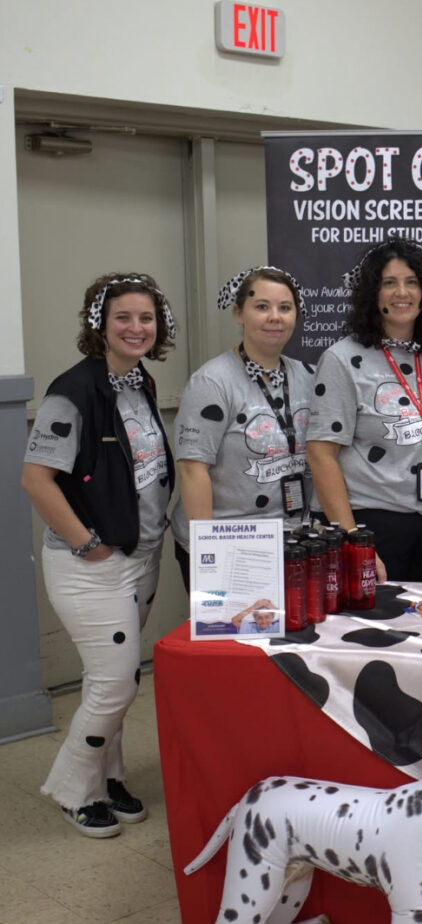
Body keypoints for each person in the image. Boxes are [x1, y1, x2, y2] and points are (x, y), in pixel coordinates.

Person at [21, 272, 176, 837]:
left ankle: (107, 778)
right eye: (123, 318)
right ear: (100, 324)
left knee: (111, 677)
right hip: (93, 565)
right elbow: (37, 480)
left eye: (146, 318)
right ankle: (72, 787)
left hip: (141, 557)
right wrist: (87, 543)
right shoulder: (74, 390)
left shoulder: (139, 382)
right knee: (116, 683)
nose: (136, 328)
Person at [306, 238, 422, 582]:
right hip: (372, 529)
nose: (401, 293)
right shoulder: (341, 359)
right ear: (371, 293)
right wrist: (354, 542)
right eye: (389, 283)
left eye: (411, 282)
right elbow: (321, 455)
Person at [171, 266, 316, 588]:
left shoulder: (308, 376)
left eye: (284, 307)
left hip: (293, 542)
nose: (274, 317)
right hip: (229, 543)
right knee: (236, 637)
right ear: (239, 313)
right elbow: (193, 470)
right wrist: (206, 553)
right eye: (261, 306)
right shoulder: (212, 382)